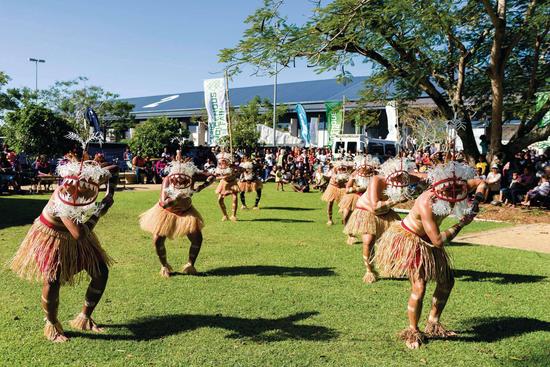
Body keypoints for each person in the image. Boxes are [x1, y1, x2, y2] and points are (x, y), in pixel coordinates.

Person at [10, 149, 118, 342]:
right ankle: (52, 324)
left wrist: (111, 193)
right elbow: (79, 234)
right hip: (51, 236)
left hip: (78, 233)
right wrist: (100, 211)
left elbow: (114, 169)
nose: (81, 191)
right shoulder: (63, 200)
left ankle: (85, 317)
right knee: (52, 280)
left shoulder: (89, 180)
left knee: (101, 271)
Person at [374, 161, 485, 349]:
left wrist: (476, 202)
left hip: (430, 237)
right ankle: (413, 331)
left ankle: (433, 323)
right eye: (448, 190)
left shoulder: (461, 186)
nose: (453, 194)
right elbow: (439, 241)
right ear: (439, 186)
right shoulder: (427, 202)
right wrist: (461, 224)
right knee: (419, 286)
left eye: (457, 189)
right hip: (411, 239)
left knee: (447, 280)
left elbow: (482, 183)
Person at [139, 153, 215, 277]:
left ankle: (190, 265)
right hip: (166, 212)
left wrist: (202, 187)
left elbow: (212, 176)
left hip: (186, 212)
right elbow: (164, 204)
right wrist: (176, 198)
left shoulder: (192, 176)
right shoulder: (167, 179)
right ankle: (164, 266)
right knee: (158, 240)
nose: (180, 179)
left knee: (197, 238)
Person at [344, 157, 416, 282]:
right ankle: (369, 271)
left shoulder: (404, 179)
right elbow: (375, 207)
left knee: (395, 240)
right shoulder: (377, 180)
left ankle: (392, 266)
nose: (399, 179)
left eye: (401, 177)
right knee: (368, 240)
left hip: (386, 212)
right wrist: (398, 200)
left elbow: (423, 178)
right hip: (368, 211)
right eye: (397, 176)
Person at [339, 155, 380, 244]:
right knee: (346, 215)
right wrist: (357, 189)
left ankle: (374, 237)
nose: (365, 169)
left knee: (371, 219)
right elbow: (347, 189)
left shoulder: (374, 175)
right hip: (354, 197)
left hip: (368, 198)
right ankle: (350, 235)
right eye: (363, 167)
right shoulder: (355, 174)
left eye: (367, 167)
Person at [321, 160, 350, 225]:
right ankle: (329, 219)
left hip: (342, 188)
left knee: (344, 204)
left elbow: (348, 179)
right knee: (330, 202)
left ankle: (344, 218)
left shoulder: (345, 171)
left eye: (342, 167)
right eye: (339, 167)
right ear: (336, 167)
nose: (341, 168)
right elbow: (328, 177)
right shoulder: (332, 171)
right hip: (332, 187)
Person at [214, 152, 240, 221]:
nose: (222, 161)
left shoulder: (232, 167)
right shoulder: (219, 168)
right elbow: (216, 176)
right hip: (223, 183)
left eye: (224, 160)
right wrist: (220, 177)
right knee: (219, 200)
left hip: (232, 183)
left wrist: (235, 169)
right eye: (221, 161)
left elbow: (239, 170)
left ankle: (233, 215)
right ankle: (225, 215)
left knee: (234, 198)